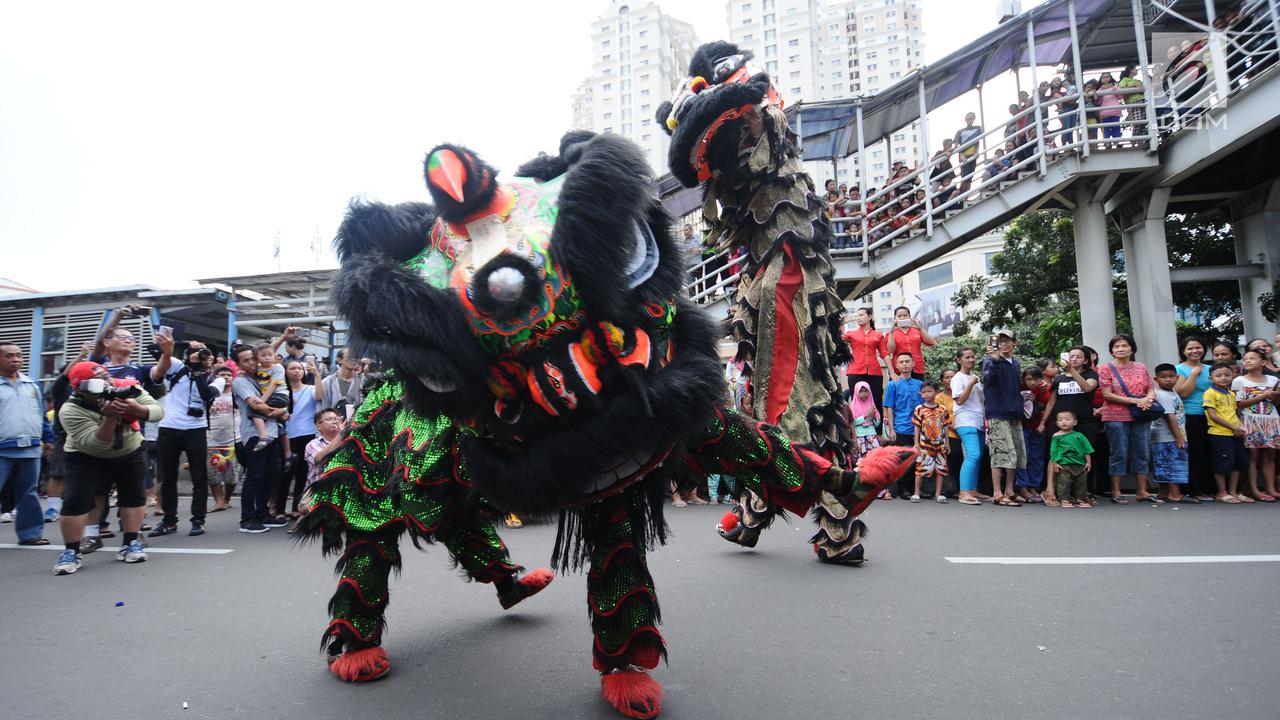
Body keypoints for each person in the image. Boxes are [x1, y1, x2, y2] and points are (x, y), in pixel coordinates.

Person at [53, 362, 163, 575]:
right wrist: (110, 416)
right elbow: (97, 444)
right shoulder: (71, 409)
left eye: (106, 377)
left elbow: (157, 412)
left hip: (129, 450)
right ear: (81, 389)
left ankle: (131, 542)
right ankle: (71, 551)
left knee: (133, 497)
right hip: (85, 455)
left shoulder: (127, 387)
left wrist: (134, 407)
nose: (107, 384)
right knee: (76, 501)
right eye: (99, 382)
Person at [150, 337, 223, 538]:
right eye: (202, 353)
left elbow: (207, 395)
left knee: (199, 478)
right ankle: (169, 520)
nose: (204, 357)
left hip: (196, 429)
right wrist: (185, 346)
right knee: (167, 478)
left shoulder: (216, 378)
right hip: (169, 428)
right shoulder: (177, 366)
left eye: (208, 355)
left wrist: (198, 370)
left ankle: (198, 520)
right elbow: (154, 349)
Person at [230, 344, 288, 533]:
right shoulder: (241, 382)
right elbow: (256, 406)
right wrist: (280, 413)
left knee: (270, 474)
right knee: (254, 476)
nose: (252, 363)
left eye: (253, 358)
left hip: (271, 433)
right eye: (246, 360)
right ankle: (247, 518)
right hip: (254, 435)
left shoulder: (264, 376)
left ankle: (262, 513)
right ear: (238, 364)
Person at [0, 342, 53, 546]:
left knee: (28, 493)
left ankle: (30, 534)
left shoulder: (32, 385)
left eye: (19, 355)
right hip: (2, 449)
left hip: (30, 449)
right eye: (9, 356)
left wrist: (48, 440)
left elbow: (41, 416)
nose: (15, 359)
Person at [1098, 334, 1158, 503]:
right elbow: (1107, 394)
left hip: (1141, 415)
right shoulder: (1105, 369)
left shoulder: (1141, 367)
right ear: (1111, 351)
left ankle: (1142, 491)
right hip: (1115, 416)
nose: (1121, 349)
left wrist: (1148, 400)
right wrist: (1137, 401)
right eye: (1116, 346)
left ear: (1132, 348)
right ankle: (1116, 491)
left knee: (1142, 451)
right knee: (1119, 452)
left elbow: (1150, 388)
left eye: (1124, 345)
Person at [982, 329, 1026, 506]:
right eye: (1000, 341)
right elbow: (988, 379)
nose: (1003, 344)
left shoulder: (1015, 362)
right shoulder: (989, 361)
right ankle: (997, 493)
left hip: (1014, 413)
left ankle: (1009, 490)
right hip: (998, 413)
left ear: (1014, 343)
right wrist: (994, 359)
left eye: (1007, 340)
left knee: (1014, 453)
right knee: (1000, 453)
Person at [278, 356, 325, 521]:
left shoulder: (310, 389)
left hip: (306, 435)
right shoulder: (281, 390)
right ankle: (279, 510)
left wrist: (317, 374)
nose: (297, 371)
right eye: (292, 368)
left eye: (299, 368)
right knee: (284, 474)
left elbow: (320, 396)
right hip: (285, 436)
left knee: (302, 474)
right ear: (285, 371)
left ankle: (297, 508)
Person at [1233, 349, 1280, 501]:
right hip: (1250, 419)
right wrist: (1263, 396)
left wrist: (1274, 397)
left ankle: (1270, 488)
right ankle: (1254, 490)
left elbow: (1276, 403)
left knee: (1270, 455)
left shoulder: (1273, 380)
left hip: (1271, 419)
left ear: (1264, 362)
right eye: (1245, 359)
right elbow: (1239, 403)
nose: (1247, 361)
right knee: (1253, 456)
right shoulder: (1239, 381)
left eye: (1252, 358)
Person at [1175, 337, 1216, 502]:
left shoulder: (1211, 369)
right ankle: (1193, 489)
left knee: (1210, 452)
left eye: (1198, 347)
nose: (1194, 351)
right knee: (1195, 453)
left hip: (1213, 415)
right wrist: (1194, 374)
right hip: (1191, 415)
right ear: (1183, 351)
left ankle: (1210, 488)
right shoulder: (1179, 369)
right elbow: (1182, 393)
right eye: (1190, 348)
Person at [1204, 363, 1249, 503]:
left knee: (1237, 463)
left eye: (1227, 375)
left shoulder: (1231, 393)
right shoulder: (1210, 393)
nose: (1223, 378)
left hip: (1235, 433)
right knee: (1222, 463)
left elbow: (1234, 413)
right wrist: (1232, 427)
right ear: (1211, 377)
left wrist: (1241, 427)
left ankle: (1233, 491)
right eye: (1218, 375)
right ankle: (1222, 492)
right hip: (1219, 433)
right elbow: (1213, 415)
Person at [883, 353, 923, 498]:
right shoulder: (892, 384)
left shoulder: (919, 384)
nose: (905, 364)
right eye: (902, 362)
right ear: (897, 366)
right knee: (903, 460)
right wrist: (892, 429)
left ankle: (915, 488)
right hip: (901, 427)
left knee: (918, 459)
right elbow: (889, 407)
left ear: (913, 363)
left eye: (907, 361)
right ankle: (903, 489)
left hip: (918, 428)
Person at [950, 348, 985, 505]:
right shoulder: (958, 378)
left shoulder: (975, 378)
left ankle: (972, 489)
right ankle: (963, 492)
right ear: (959, 360)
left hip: (979, 421)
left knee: (978, 457)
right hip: (965, 420)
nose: (971, 359)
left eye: (973, 356)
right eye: (967, 357)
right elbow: (959, 400)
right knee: (973, 455)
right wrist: (971, 384)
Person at [1151, 363, 1189, 502]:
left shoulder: (1171, 393)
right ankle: (1175, 494)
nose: (1168, 380)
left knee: (1164, 464)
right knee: (1174, 464)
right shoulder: (1163, 395)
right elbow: (1170, 416)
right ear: (1156, 379)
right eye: (1163, 377)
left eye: (1171, 376)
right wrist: (1179, 437)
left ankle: (1163, 492)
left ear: (1177, 377)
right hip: (1168, 436)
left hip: (1165, 437)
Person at [910, 380, 952, 503]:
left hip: (940, 444)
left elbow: (946, 427)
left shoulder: (943, 409)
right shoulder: (919, 409)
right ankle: (916, 492)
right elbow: (916, 427)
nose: (926, 394)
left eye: (929, 391)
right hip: (924, 445)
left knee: (941, 469)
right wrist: (916, 443)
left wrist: (947, 443)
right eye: (923, 392)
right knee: (920, 469)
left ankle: (938, 494)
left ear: (936, 392)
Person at [841, 307, 889, 411]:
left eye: (861, 315)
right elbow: (836, 339)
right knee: (856, 402)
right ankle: (858, 426)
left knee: (876, 402)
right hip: (855, 372)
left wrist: (893, 372)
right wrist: (841, 323)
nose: (858, 317)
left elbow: (884, 354)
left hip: (874, 373)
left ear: (870, 317)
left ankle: (877, 427)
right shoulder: (851, 334)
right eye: (857, 315)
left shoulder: (878, 335)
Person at [1014, 367, 1049, 502]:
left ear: (1041, 379)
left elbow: (1047, 404)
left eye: (1036, 379)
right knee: (1024, 456)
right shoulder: (1018, 387)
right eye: (1029, 379)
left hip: (1037, 426)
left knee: (1037, 457)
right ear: (1024, 379)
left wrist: (1037, 401)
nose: (1032, 382)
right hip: (1021, 426)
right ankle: (1022, 486)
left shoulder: (1042, 389)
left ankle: (1034, 486)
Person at [206, 364, 238, 512]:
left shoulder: (238, 395)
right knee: (213, 475)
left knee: (232, 475)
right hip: (212, 441)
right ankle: (218, 501)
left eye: (229, 375)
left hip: (233, 441)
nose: (226, 377)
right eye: (222, 375)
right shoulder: (210, 395)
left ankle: (226, 499)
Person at [1048, 410, 1094, 508]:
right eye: (1060, 420)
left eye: (1067, 419)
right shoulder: (1056, 436)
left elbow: (1086, 450)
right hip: (1064, 465)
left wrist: (1088, 462)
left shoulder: (1079, 436)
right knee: (1063, 483)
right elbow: (1053, 451)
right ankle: (1064, 499)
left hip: (1080, 464)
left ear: (1075, 422)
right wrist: (1055, 463)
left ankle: (1080, 499)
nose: (1064, 422)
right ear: (1056, 423)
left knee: (1080, 483)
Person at [885, 306, 936, 380]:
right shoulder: (891, 333)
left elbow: (931, 342)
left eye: (905, 315)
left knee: (918, 390)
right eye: (899, 316)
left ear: (910, 317)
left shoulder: (917, 330)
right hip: (900, 369)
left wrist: (920, 328)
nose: (902, 317)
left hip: (917, 367)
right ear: (895, 318)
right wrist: (891, 333)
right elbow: (891, 350)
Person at [319, 347, 365, 417]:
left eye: (355, 357)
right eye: (349, 356)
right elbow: (323, 408)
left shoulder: (363, 382)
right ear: (339, 360)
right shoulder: (327, 383)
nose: (353, 359)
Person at [848, 380, 881, 462]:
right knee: (861, 461)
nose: (864, 394)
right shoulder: (853, 406)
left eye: (866, 391)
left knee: (874, 460)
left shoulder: (871, 404)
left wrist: (873, 416)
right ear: (856, 392)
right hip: (859, 437)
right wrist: (866, 415)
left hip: (872, 435)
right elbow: (852, 423)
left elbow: (876, 424)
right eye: (861, 391)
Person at [952, 112, 983, 193]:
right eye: (968, 118)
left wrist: (977, 151)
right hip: (964, 156)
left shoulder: (978, 128)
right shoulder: (960, 131)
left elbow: (978, 141)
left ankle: (966, 196)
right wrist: (961, 155)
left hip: (973, 155)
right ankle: (961, 195)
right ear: (965, 119)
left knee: (970, 177)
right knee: (965, 177)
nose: (969, 120)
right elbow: (956, 145)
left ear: (974, 119)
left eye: (971, 118)